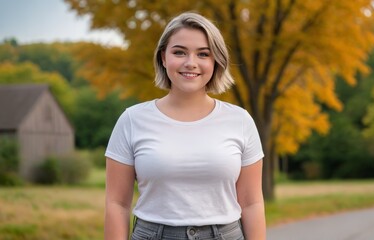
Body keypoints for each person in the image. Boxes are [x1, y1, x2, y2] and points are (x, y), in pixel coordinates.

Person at [104, 12, 265, 240]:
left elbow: (251, 203)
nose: (191, 63)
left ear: (215, 60)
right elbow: (117, 204)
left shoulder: (240, 121)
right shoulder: (132, 120)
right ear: (163, 57)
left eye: (203, 54)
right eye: (179, 52)